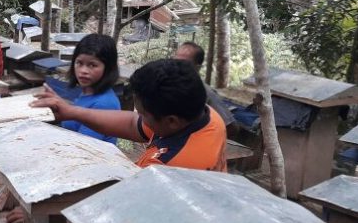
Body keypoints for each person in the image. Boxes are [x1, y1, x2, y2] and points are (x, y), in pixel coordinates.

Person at [32, 58, 228, 171]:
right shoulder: (204, 115)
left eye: (143, 114)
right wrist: (71, 112)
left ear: (171, 121)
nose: (139, 116)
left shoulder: (165, 168)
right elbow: (132, 124)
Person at [57, 34, 121, 145]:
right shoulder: (88, 92)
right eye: (79, 63)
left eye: (92, 65)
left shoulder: (103, 105)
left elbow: (82, 148)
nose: (83, 71)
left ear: (108, 68)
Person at [173, 41, 235, 126]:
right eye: (175, 61)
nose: (177, 66)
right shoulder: (169, 83)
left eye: (184, 64)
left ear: (197, 67)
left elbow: (231, 126)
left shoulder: (205, 92)